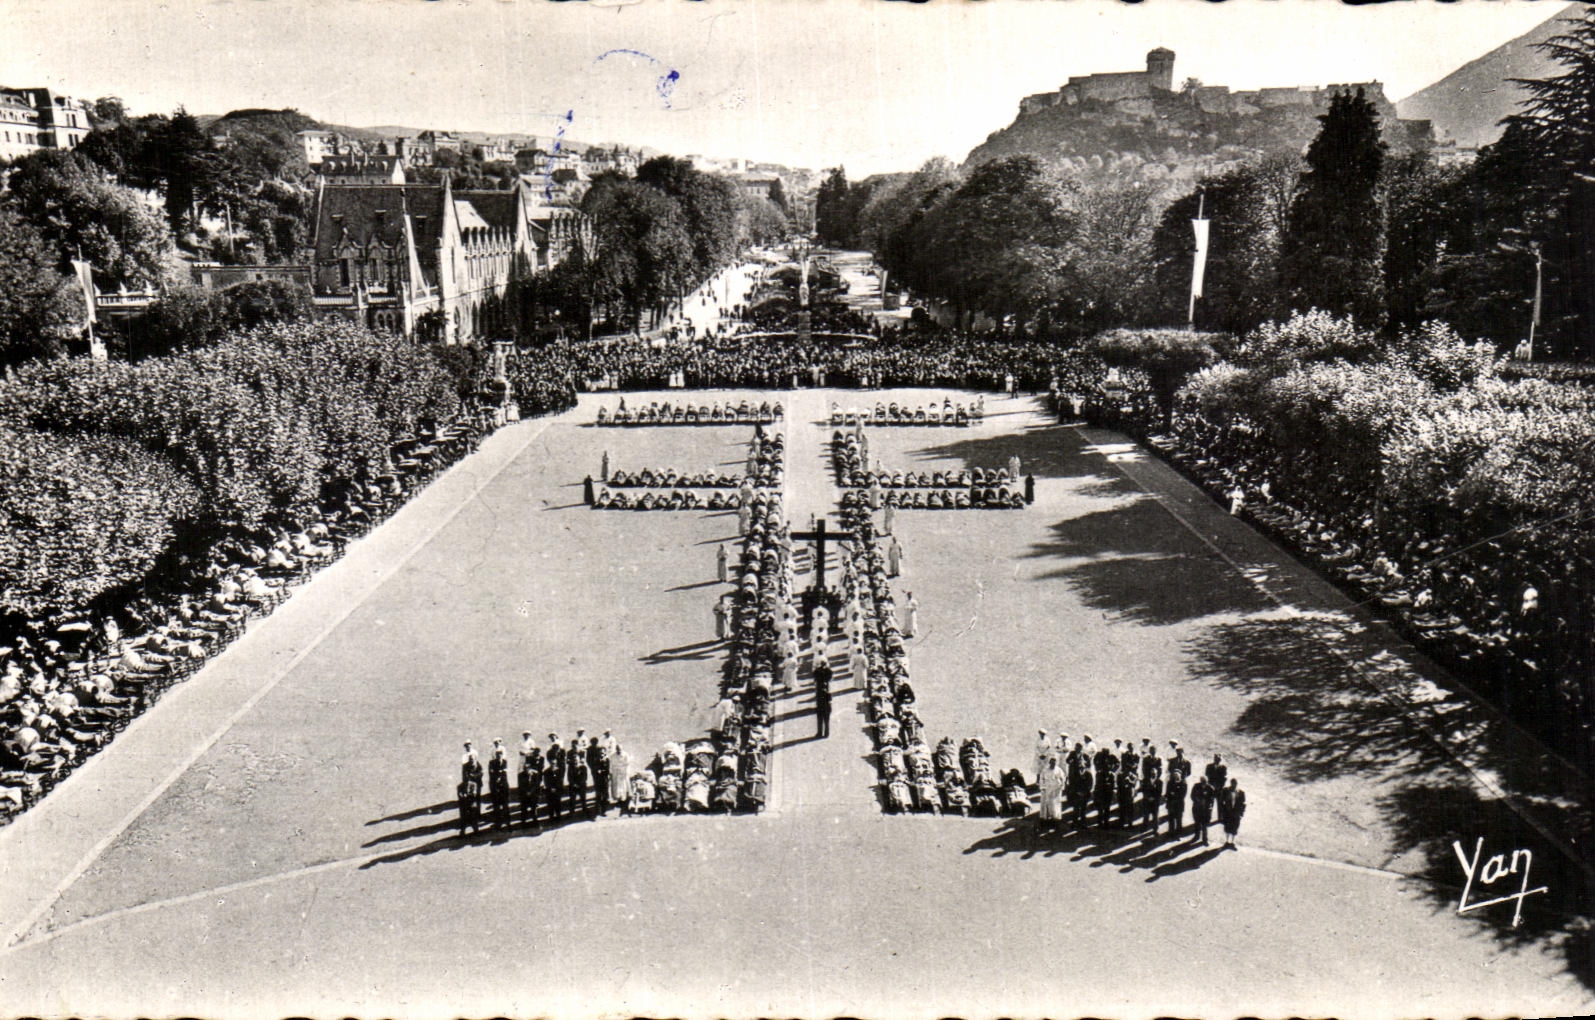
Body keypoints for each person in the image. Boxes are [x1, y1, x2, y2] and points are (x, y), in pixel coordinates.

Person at [488, 740, 512, 829]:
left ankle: (508, 823)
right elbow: (491, 773)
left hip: (504, 787)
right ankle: (498, 823)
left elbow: (505, 772)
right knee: (497, 807)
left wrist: (500, 773)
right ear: (495, 756)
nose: (499, 757)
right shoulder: (492, 763)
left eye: (500, 755)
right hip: (496, 787)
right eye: (498, 755)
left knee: (506, 806)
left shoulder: (504, 762)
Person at [1039, 756, 1064, 830]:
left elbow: (1063, 779)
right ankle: (1044, 820)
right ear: (1049, 762)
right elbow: (1041, 779)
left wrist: (1061, 786)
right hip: (1047, 789)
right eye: (1052, 762)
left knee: (1055, 805)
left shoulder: (1059, 770)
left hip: (1056, 790)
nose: (1053, 763)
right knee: (1045, 805)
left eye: (1054, 762)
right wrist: (1042, 787)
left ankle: (1055, 821)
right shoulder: (1045, 770)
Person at [1220, 778, 1246, 848]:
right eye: (1232, 784)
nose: (1234, 785)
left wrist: (1241, 814)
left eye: (1235, 784)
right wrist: (1223, 812)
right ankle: (1227, 841)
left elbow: (1243, 804)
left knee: (1235, 828)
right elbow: (1221, 802)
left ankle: (1232, 842)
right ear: (1230, 784)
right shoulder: (1226, 791)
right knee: (1227, 827)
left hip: (1236, 814)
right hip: (1228, 813)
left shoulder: (1241, 793)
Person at [588, 736, 610, 816]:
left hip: (605, 780)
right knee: (598, 795)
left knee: (605, 796)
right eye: (601, 753)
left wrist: (603, 771)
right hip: (598, 780)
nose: (602, 754)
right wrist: (597, 771)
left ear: (605, 753)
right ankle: (598, 810)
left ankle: (604, 811)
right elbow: (594, 767)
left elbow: (608, 770)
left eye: (603, 753)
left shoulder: (607, 760)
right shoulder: (596, 760)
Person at [1190, 776, 1215, 845]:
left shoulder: (1210, 788)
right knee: (1197, 823)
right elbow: (1192, 795)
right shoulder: (1196, 786)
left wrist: (1209, 807)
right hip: (1197, 809)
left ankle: (1205, 839)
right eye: (1202, 781)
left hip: (1205, 810)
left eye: (1205, 782)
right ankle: (1196, 836)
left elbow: (1212, 800)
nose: (1203, 783)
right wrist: (1197, 800)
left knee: (1204, 825)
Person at [1164, 766, 1187, 837]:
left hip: (1179, 804)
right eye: (1174, 775)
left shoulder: (1183, 783)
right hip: (1171, 804)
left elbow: (1183, 794)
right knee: (1171, 819)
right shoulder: (1170, 782)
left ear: (1180, 775)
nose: (1176, 776)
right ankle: (1171, 833)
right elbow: (1167, 793)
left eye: (1177, 775)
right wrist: (1170, 795)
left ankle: (1178, 834)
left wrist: (1173, 793)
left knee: (1179, 819)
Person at [813, 662, 832, 738]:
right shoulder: (828, 693)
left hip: (820, 708)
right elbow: (830, 701)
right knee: (826, 721)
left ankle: (819, 733)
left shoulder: (819, 693)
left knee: (820, 721)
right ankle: (826, 733)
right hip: (826, 708)